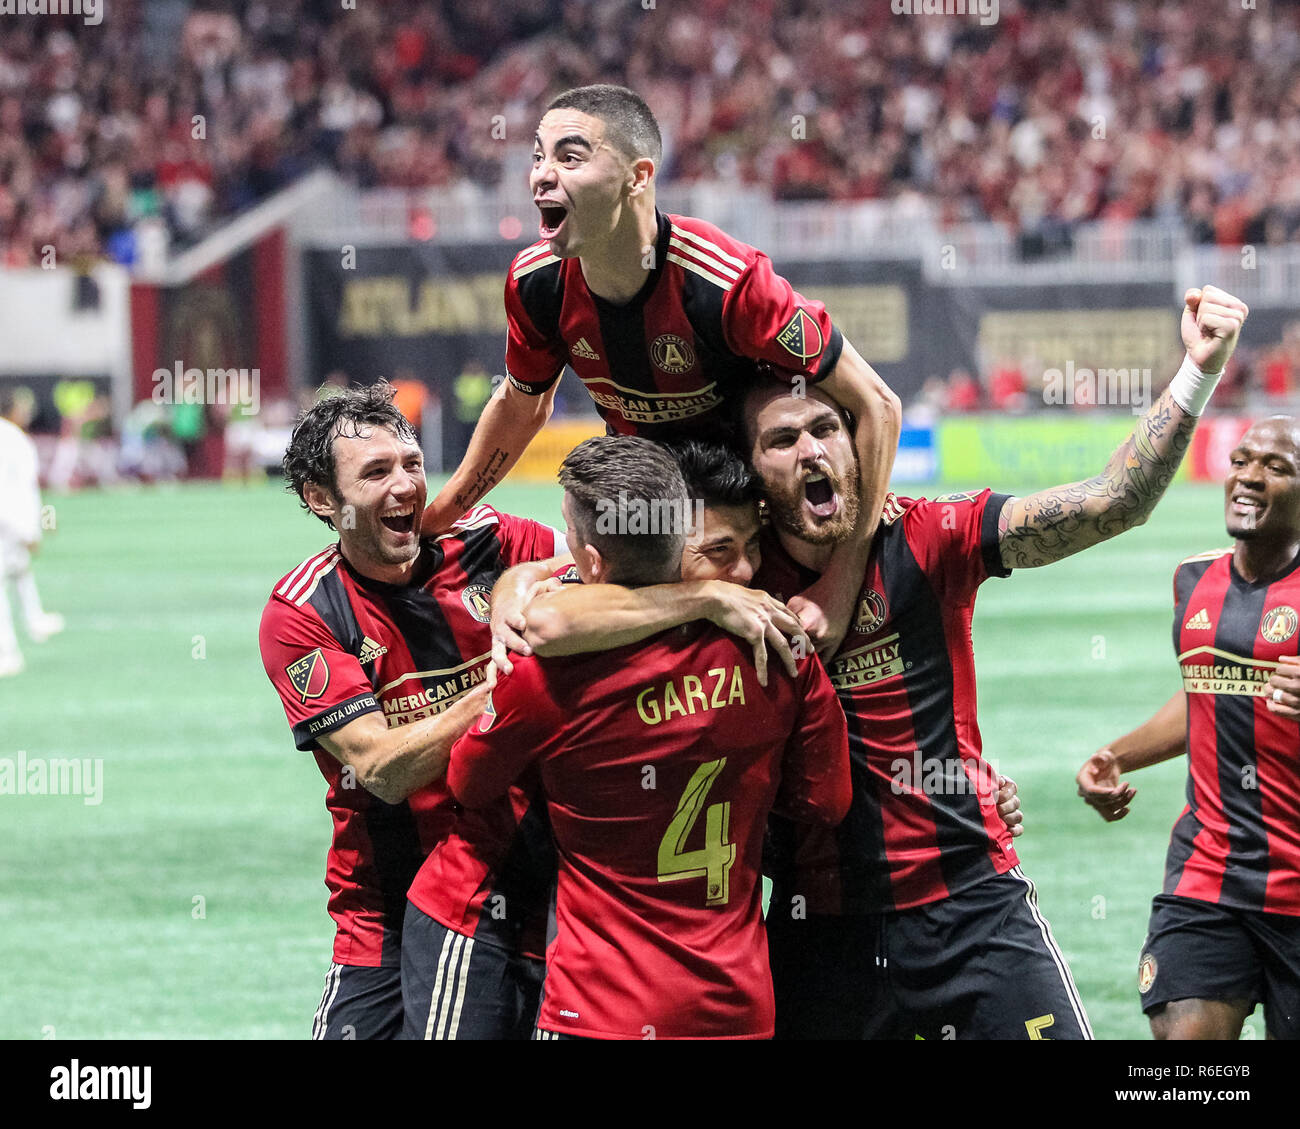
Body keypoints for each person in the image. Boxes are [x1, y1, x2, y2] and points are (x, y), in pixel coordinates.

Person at [741, 284, 1247, 1040]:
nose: (812, 448)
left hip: (973, 906)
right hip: (820, 930)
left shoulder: (932, 534)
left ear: (858, 443)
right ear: (750, 471)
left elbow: (1115, 501)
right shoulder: (731, 587)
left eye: (827, 427)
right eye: (782, 439)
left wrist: (1197, 371)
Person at [420, 84, 902, 657]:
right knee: (545, 631)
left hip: (751, 519)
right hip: (647, 514)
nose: (541, 176)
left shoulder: (727, 284)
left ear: (638, 176)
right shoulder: (535, 283)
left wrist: (838, 591)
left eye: (569, 157)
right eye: (537, 157)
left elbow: (877, 404)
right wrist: (442, 513)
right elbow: (522, 404)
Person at [399, 438, 821, 1041]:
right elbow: (823, 800)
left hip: (591, 993)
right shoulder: (782, 653)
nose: (745, 575)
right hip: (725, 993)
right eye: (722, 553)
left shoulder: (547, 669)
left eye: (751, 548)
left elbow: (468, 781)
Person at [258, 382, 565, 1039]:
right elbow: (383, 768)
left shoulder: (496, 543)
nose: (406, 486)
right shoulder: (305, 611)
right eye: (376, 472)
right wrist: (507, 682)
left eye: (412, 463)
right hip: (386, 908)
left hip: (523, 882)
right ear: (321, 498)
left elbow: (595, 573)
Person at [1076, 415, 1300, 1040]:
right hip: (1209, 874)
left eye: (1277, 467)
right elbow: (1205, 694)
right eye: (1242, 460)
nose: (1250, 477)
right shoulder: (1194, 579)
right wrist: (1116, 755)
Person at [0, 387, 63, 677]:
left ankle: (34, 619)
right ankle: (7, 652)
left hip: (11, 520)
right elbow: (21, 491)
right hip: (10, 521)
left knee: (19, 570)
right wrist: (30, 529)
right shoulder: (14, 440)